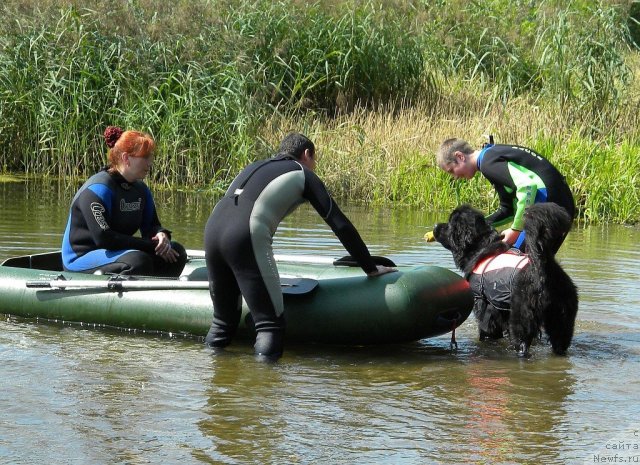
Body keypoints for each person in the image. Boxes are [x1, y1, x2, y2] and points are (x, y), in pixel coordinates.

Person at [204, 132, 396, 360]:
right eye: (315, 161)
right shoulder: (302, 173)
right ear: (306, 154)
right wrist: (370, 267)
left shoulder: (256, 166)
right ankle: (262, 391)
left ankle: (213, 380)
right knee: (270, 325)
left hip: (212, 231)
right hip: (245, 234)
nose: (314, 167)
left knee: (222, 322)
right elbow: (340, 224)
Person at [61, 126, 187, 276]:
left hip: (116, 252)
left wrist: (162, 236)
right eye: (145, 157)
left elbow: (152, 226)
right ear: (126, 158)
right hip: (81, 257)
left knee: (176, 253)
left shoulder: (141, 190)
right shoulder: (97, 189)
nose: (150, 163)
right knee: (138, 260)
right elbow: (104, 239)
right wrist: (149, 245)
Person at [435, 137, 575, 252]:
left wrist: (515, 230)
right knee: (536, 266)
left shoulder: (487, 163)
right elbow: (507, 210)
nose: (455, 177)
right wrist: (474, 227)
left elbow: (527, 187)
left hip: (548, 208)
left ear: (460, 157)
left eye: (452, 171)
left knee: (516, 257)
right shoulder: (490, 157)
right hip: (562, 206)